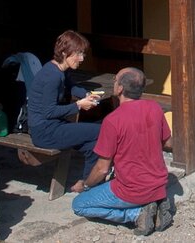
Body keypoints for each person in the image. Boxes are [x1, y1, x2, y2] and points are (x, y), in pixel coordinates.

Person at [72, 67, 173, 235]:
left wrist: (85, 184)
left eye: (115, 80)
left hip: (131, 189)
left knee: (79, 205)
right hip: (158, 184)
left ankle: (137, 214)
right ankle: (152, 204)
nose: (114, 83)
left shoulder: (112, 120)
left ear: (119, 89)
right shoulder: (154, 108)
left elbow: (102, 168)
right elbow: (167, 141)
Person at [26, 30, 102, 192]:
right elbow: (48, 112)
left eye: (83, 54)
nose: (81, 59)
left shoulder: (60, 70)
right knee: (101, 130)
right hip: (44, 132)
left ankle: (88, 183)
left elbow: (71, 85)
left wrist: (87, 95)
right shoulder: (52, 76)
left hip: (54, 126)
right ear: (63, 52)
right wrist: (79, 106)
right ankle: (91, 184)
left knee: (93, 143)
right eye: (78, 54)